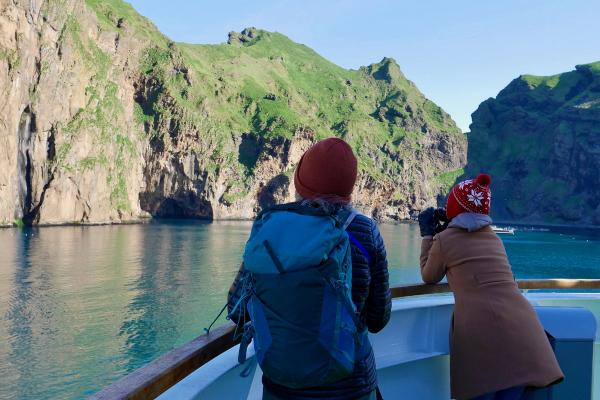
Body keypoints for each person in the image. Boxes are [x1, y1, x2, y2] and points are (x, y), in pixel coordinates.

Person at [228, 137, 391, 400]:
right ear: (349, 189)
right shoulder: (365, 232)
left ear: (299, 184)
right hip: (350, 386)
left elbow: (237, 310)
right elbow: (377, 319)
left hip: (283, 387)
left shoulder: (272, 231)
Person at [418, 173, 564, 400]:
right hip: (522, 328)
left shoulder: (445, 240)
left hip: (481, 335)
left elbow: (429, 275)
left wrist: (428, 235)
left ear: (454, 208)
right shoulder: (494, 239)